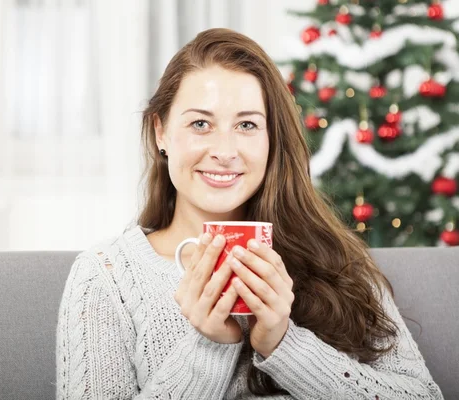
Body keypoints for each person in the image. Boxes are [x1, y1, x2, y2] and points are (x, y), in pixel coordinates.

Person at [56, 28, 443, 399]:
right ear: (161, 132)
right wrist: (210, 348)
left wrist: (283, 343)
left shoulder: (336, 259)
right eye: (200, 124)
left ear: (271, 138)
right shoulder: (106, 278)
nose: (225, 151)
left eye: (246, 125)